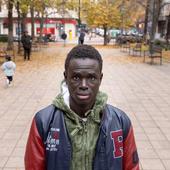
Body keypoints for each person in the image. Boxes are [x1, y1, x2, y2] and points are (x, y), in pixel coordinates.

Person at [25, 45, 139, 170]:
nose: (84, 85)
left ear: (100, 79)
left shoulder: (121, 121)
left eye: (91, 78)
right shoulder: (43, 121)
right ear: (66, 77)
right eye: (76, 77)